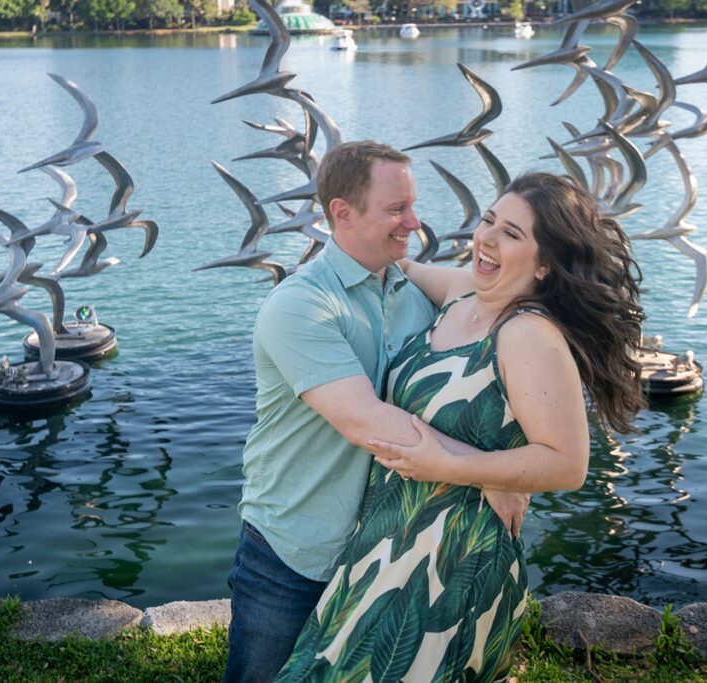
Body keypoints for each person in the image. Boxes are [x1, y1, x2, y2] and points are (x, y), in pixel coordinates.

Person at [276, 172, 646, 681]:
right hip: (386, 540)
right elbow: (392, 261)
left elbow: (567, 464)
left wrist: (454, 465)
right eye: (489, 220)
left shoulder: (528, 334)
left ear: (544, 265)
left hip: (453, 559)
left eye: (511, 234)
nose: (486, 238)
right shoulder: (461, 294)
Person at [222, 141, 531, 683]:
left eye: (412, 205)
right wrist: (493, 475)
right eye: (396, 210)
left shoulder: (416, 290)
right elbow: (366, 421)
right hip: (296, 548)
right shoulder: (300, 305)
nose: (414, 221)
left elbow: (507, 296)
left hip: (386, 550)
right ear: (341, 213)